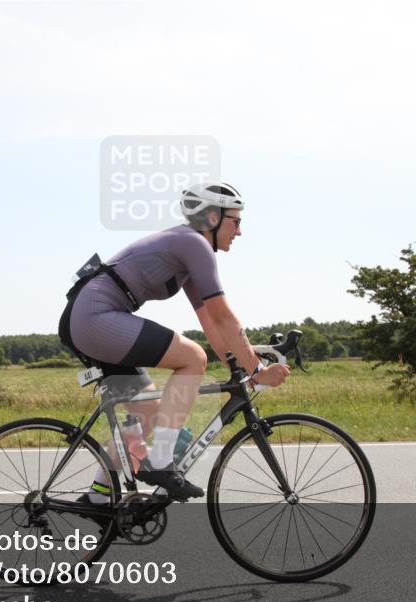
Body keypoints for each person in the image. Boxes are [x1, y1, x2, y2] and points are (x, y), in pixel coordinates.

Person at [58, 183, 290, 502]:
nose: (240, 231)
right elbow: (224, 316)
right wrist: (257, 368)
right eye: (235, 221)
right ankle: (161, 462)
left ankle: (98, 495)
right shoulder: (193, 243)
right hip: (95, 317)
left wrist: (237, 366)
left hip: (90, 318)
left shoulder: (189, 248)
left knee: (150, 412)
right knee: (192, 357)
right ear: (212, 217)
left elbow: (211, 322)